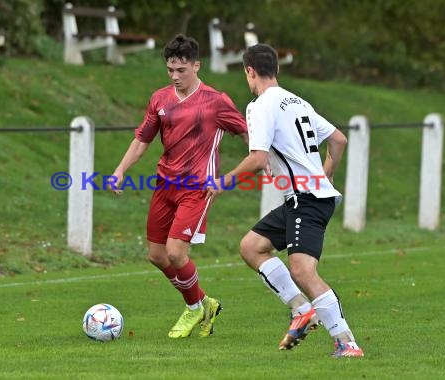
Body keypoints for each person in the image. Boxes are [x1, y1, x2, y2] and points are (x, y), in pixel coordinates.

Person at [206, 43, 364, 357]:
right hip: (305, 198)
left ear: (249, 72)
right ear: (275, 69)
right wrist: (326, 172)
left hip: (307, 200)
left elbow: (257, 158)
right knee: (251, 247)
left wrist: (222, 183)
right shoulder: (298, 101)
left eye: (246, 74)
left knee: (303, 271)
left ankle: (346, 342)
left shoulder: (260, 105)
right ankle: (300, 309)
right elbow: (339, 140)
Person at [110, 34, 248, 339]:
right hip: (164, 185)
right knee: (156, 256)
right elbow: (142, 140)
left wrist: (252, 165)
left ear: (197, 66)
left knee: (175, 252)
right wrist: (120, 170)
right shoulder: (160, 99)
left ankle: (193, 308)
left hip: (197, 188)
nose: (174, 76)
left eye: (181, 70)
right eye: (170, 69)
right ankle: (204, 303)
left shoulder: (216, 101)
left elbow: (247, 134)